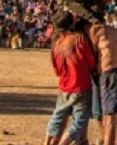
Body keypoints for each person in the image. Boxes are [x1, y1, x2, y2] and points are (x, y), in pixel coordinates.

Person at [45, 11, 96, 145]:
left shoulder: (56, 42)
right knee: (79, 121)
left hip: (64, 86)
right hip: (81, 84)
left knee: (57, 117)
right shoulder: (79, 38)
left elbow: (56, 70)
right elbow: (91, 62)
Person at [88, 22, 117, 145]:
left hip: (109, 74)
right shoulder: (114, 31)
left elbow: (92, 56)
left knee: (110, 119)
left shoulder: (96, 30)